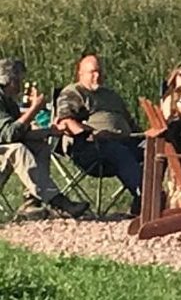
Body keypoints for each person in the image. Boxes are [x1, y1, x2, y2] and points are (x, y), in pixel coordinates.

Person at [55, 54, 144, 213]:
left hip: (126, 141)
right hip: (89, 148)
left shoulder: (112, 96)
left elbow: (132, 124)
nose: (97, 76)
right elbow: (66, 121)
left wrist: (146, 136)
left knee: (159, 149)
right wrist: (90, 134)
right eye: (93, 72)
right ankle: (145, 197)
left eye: (100, 72)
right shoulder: (74, 92)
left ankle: (155, 197)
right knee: (118, 151)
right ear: (80, 74)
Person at [0, 58, 88, 219]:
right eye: (19, 80)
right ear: (9, 80)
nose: (21, 85)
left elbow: (20, 135)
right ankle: (58, 202)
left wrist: (51, 131)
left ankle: (31, 201)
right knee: (18, 149)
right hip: (4, 149)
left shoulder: (8, 101)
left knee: (40, 146)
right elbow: (9, 135)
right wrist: (34, 109)